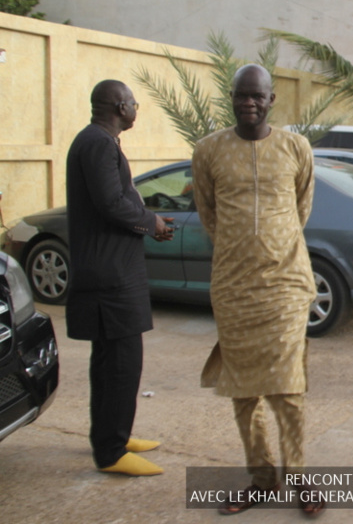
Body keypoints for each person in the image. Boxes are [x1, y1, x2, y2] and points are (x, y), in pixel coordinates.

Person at [192, 64, 323, 517]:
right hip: (233, 287)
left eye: (257, 96)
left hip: (286, 283)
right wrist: (241, 249)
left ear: (271, 101)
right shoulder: (208, 150)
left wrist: (273, 244)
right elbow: (209, 213)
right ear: (232, 99)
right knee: (243, 392)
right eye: (241, 95)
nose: (248, 102)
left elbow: (301, 207)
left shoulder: (295, 147)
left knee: (288, 388)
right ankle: (262, 478)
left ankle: (300, 479)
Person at [66, 80, 174, 477]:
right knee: (122, 364)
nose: (136, 109)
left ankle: (113, 435)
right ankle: (111, 452)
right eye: (133, 103)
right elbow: (110, 202)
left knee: (111, 363)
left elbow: (115, 199)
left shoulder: (100, 141)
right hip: (109, 280)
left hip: (114, 272)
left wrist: (149, 223)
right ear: (119, 105)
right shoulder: (97, 143)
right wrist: (152, 222)